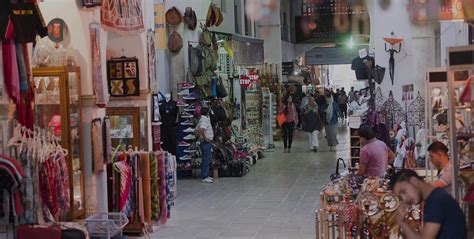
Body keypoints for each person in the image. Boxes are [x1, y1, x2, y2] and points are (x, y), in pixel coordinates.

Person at [389, 170, 467, 239]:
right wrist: (402, 222)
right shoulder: (434, 198)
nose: (405, 199)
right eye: (400, 197)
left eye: (404, 191)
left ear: (414, 181)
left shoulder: (436, 201)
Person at [196, 107, 214, 183]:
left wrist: (200, 136)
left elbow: (196, 129)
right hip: (206, 142)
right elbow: (201, 129)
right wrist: (205, 138)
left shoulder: (201, 119)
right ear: (207, 113)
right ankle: (204, 176)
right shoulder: (204, 120)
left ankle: (206, 175)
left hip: (205, 142)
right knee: (206, 159)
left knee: (207, 158)